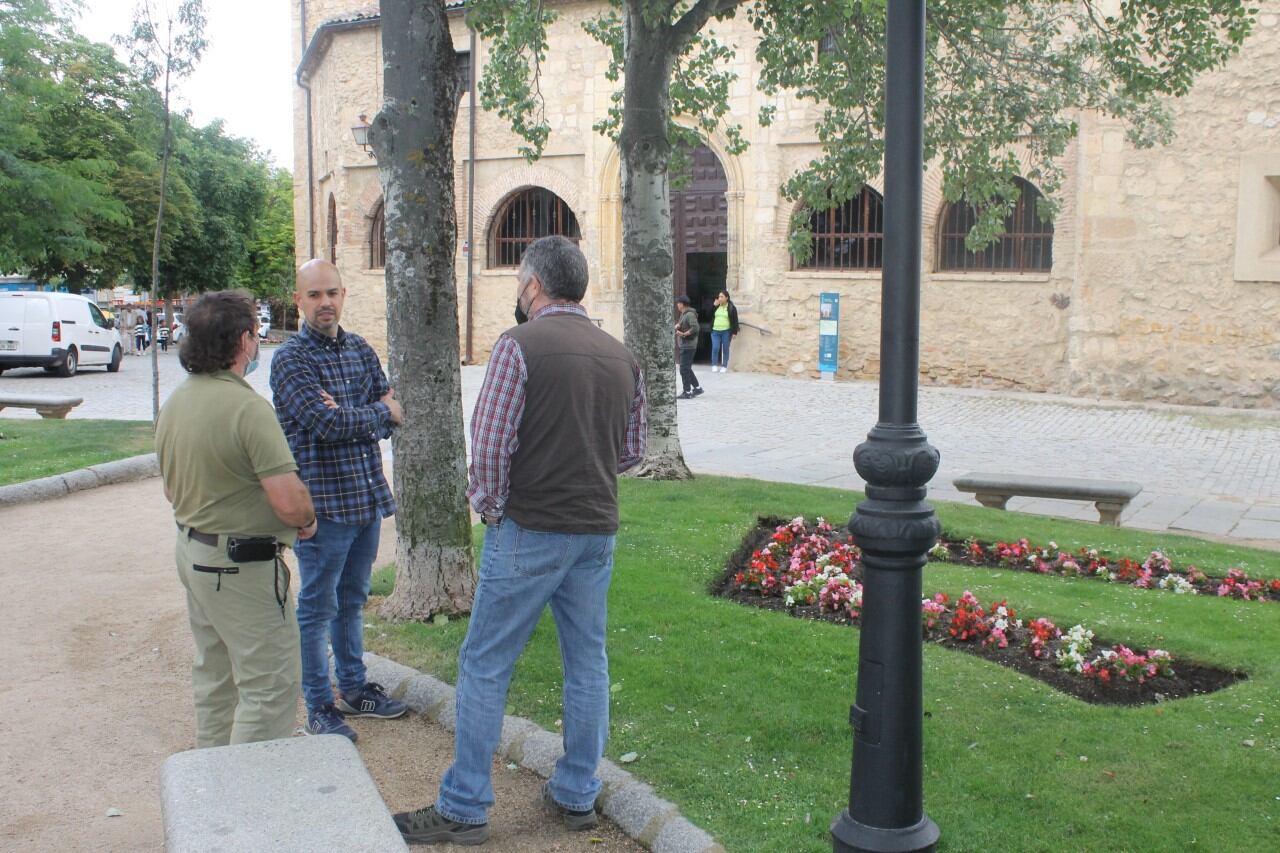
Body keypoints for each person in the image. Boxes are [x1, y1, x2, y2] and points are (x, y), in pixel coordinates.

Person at [392, 235, 648, 846]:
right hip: (594, 533)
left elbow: (491, 442)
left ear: (533, 286)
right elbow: (632, 452)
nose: (516, 294)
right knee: (587, 665)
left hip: (530, 528)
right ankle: (577, 793)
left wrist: (492, 508)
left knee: (485, 664)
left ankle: (464, 806)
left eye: (517, 285)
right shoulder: (621, 357)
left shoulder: (518, 346)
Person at [155, 290, 316, 747]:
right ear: (246, 341)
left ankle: (212, 789)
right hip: (239, 566)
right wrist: (305, 517)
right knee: (269, 686)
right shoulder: (248, 409)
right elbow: (289, 503)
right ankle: (248, 800)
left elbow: (171, 488)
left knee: (215, 677)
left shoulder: (177, 402)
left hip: (193, 552)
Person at [269, 259, 408, 742]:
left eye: (332, 293)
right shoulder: (290, 360)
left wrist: (362, 412)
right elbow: (323, 426)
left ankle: (352, 688)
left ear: (343, 294)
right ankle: (319, 704)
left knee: (352, 599)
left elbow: (395, 413)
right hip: (323, 507)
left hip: (365, 498)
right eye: (314, 295)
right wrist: (373, 412)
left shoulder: (360, 349)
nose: (325, 302)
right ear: (299, 301)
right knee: (316, 606)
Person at [675, 294, 702, 399]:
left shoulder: (689, 314)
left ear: (682, 304)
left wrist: (683, 334)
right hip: (685, 345)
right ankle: (697, 388)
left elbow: (695, 328)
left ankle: (687, 391)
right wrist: (678, 325)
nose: (677, 304)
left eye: (678, 303)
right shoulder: (684, 314)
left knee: (683, 369)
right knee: (687, 368)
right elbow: (683, 324)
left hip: (688, 346)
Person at [709, 289, 739, 373]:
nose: (719, 298)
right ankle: (714, 365)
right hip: (715, 331)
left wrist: (734, 332)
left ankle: (724, 366)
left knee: (725, 349)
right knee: (715, 348)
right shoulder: (716, 306)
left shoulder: (731, 307)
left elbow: (735, 320)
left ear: (727, 298)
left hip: (726, 331)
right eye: (719, 296)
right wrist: (713, 306)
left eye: (721, 296)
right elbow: (709, 315)